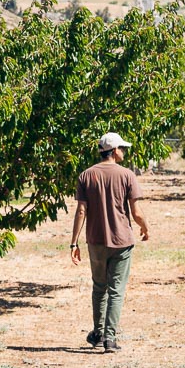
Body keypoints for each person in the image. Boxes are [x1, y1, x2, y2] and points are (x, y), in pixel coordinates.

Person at [69, 132, 149, 352]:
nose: (124, 151)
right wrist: (145, 227)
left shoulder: (86, 175)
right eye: (122, 148)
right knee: (116, 290)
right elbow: (136, 211)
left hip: (95, 241)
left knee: (99, 287)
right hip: (121, 241)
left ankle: (98, 333)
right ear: (114, 151)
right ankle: (110, 339)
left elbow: (81, 211)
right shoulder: (127, 175)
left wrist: (74, 243)